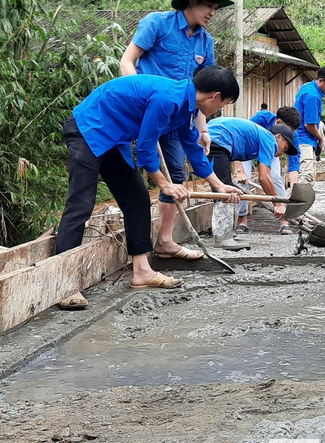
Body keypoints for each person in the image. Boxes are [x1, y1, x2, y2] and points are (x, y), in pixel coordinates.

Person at [54, 69, 244, 310]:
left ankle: (142, 271)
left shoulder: (188, 109)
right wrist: (164, 184)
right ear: (215, 96)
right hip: (90, 127)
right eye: (224, 104)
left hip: (115, 137)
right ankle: (66, 285)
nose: (219, 110)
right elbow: (145, 148)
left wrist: (219, 185)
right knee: (81, 204)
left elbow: (193, 149)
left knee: (137, 199)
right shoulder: (168, 99)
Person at [117, 0, 234, 262]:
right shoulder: (157, 23)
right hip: (146, 109)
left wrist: (202, 129)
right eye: (208, 5)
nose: (212, 13)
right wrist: (138, 103)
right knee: (132, 173)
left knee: (177, 175)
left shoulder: (205, 42)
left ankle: (165, 241)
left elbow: (204, 91)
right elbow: (127, 61)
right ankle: (135, 244)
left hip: (179, 116)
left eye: (216, 8)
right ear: (191, 1)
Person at [206, 117, 298, 249]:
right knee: (224, 191)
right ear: (278, 137)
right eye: (285, 147)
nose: (283, 152)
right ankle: (222, 237)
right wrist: (278, 204)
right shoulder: (270, 140)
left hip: (216, 137)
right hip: (217, 139)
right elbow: (264, 178)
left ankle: (227, 233)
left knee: (227, 187)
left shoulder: (261, 137)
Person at [240, 106, 302, 234]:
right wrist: (239, 170)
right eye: (289, 130)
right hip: (248, 148)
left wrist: (293, 188)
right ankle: (242, 219)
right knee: (244, 179)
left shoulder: (293, 136)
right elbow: (244, 136)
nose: (291, 133)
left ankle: (284, 220)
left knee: (275, 177)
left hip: (272, 151)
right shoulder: (262, 118)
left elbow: (294, 165)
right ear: (278, 123)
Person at [293, 67, 325, 182]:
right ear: (321, 81)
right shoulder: (313, 96)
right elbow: (309, 125)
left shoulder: (308, 86)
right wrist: (321, 138)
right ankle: (299, 194)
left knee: (300, 174)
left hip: (300, 137)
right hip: (304, 139)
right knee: (306, 176)